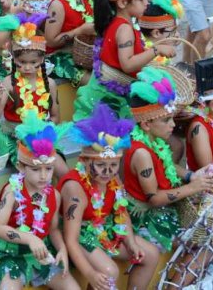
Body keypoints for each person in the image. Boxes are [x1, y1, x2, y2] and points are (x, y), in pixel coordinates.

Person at [59, 105, 160, 290]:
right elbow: (70, 239)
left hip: (104, 229)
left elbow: (121, 212)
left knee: (151, 254)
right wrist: (90, 274)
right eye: (101, 165)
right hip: (80, 234)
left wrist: (130, 242)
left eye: (114, 165)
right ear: (85, 160)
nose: (108, 172)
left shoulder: (112, 177)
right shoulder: (75, 189)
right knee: (108, 270)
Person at [123, 68, 213, 253]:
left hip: (163, 210)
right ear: (146, 124)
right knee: (207, 240)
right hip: (147, 219)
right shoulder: (141, 153)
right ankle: (179, 283)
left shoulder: (154, 139)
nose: (173, 125)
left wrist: (191, 176)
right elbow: (155, 199)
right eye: (167, 120)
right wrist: (192, 188)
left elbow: (167, 165)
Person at [74, 0, 174, 121]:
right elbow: (127, 65)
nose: (147, 2)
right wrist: (156, 50)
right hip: (110, 98)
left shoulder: (118, 21)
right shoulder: (124, 28)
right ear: (122, 3)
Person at [0, 112, 78, 290]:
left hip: (40, 255)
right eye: (36, 169)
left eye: (49, 169)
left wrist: (62, 249)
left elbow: (53, 229)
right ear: (20, 166)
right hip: (11, 254)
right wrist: (30, 238)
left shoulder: (55, 195)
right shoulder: (12, 192)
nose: (44, 176)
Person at [0, 13, 67, 176]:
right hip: (15, 137)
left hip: (42, 137)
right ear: (14, 59)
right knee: (33, 170)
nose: (27, 67)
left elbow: (55, 117)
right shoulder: (8, 83)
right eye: (22, 62)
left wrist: (44, 134)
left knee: (61, 169)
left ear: (42, 60)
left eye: (33, 63)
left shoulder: (50, 84)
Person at [44, 0, 94, 86]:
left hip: (83, 55)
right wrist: (81, 30)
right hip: (59, 58)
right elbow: (51, 41)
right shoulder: (58, 5)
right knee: (94, 85)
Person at [137, 0, 184, 66]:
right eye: (173, 31)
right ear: (156, 33)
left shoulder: (143, 41)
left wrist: (172, 38)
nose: (177, 35)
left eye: (176, 30)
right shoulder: (154, 63)